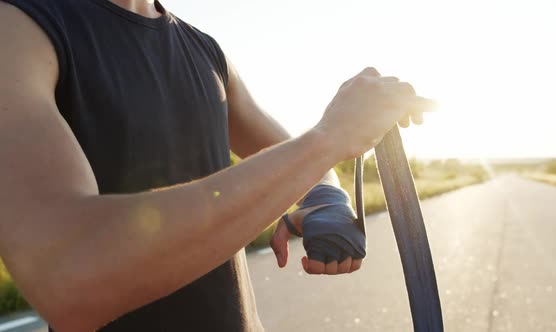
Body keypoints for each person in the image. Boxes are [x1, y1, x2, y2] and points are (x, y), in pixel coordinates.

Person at [0, 0, 432, 331]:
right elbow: (69, 273)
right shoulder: (18, 28)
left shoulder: (206, 52)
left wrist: (326, 199)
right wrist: (328, 139)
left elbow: (302, 160)